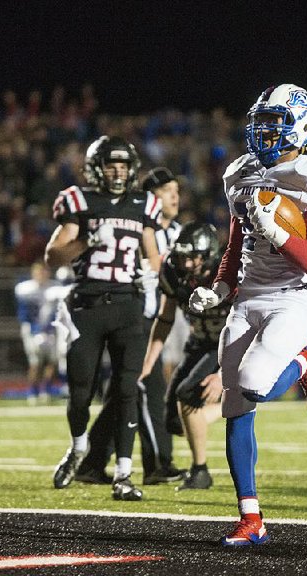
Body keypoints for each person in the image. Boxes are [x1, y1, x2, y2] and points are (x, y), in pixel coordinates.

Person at [188, 84, 307, 546]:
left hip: (293, 296)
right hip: (248, 296)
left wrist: (275, 228)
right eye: (262, 122)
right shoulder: (242, 173)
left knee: (256, 382)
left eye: (276, 122)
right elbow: (237, 246)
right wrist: (219, 289)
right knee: (235, 404)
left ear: (304, 126)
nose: (265, 131)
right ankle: (251, 517)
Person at [44, 135, 161, 501]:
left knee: (127, 390)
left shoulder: (143, 203)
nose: (118, 172)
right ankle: (79, 448)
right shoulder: (79, 201)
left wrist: (151, 272)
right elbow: (53, 256)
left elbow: (154, 255)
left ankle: (124, 475)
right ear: (97, 168)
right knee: (81, 394)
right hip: (89, 306)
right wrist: (86, 243)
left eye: (124, 166)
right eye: (111, 165)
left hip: (128, 305)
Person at [76, 166, 184, 486]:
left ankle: (92, 462)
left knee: (123, 392)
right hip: (135, 315)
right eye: (167, 191)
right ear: (150, 198)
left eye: (176, 189)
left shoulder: (177, 232)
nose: (175, 196)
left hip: (161, 316)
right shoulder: (134, 228)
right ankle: (158, 463)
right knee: (147, 388)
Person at [141, 222, 228, 490]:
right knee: (175, 421)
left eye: (193, 258)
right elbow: (165, 318)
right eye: (183, 257)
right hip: (199, 341)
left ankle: (200, 470)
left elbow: (246, 325)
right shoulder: (173, 272)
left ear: (209, 256)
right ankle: (233, 405)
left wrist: (224, 374)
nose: (186, 264)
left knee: (188, 393)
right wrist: (148, 361)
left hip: (229, 343)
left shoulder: (229, 273)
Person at [14, 260, 66, 403]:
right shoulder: (24, 289)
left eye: (44, 271)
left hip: (52, 328)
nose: (41, 274)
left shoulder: (55, 287)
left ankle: (46, 391)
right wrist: (36, 330)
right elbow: (24, 313)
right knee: (35, 361)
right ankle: (32, 392)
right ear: (33, 273)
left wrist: (50, 328)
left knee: (52, 360)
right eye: (38, 271)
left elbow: (60, 311)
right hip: (31, 328)